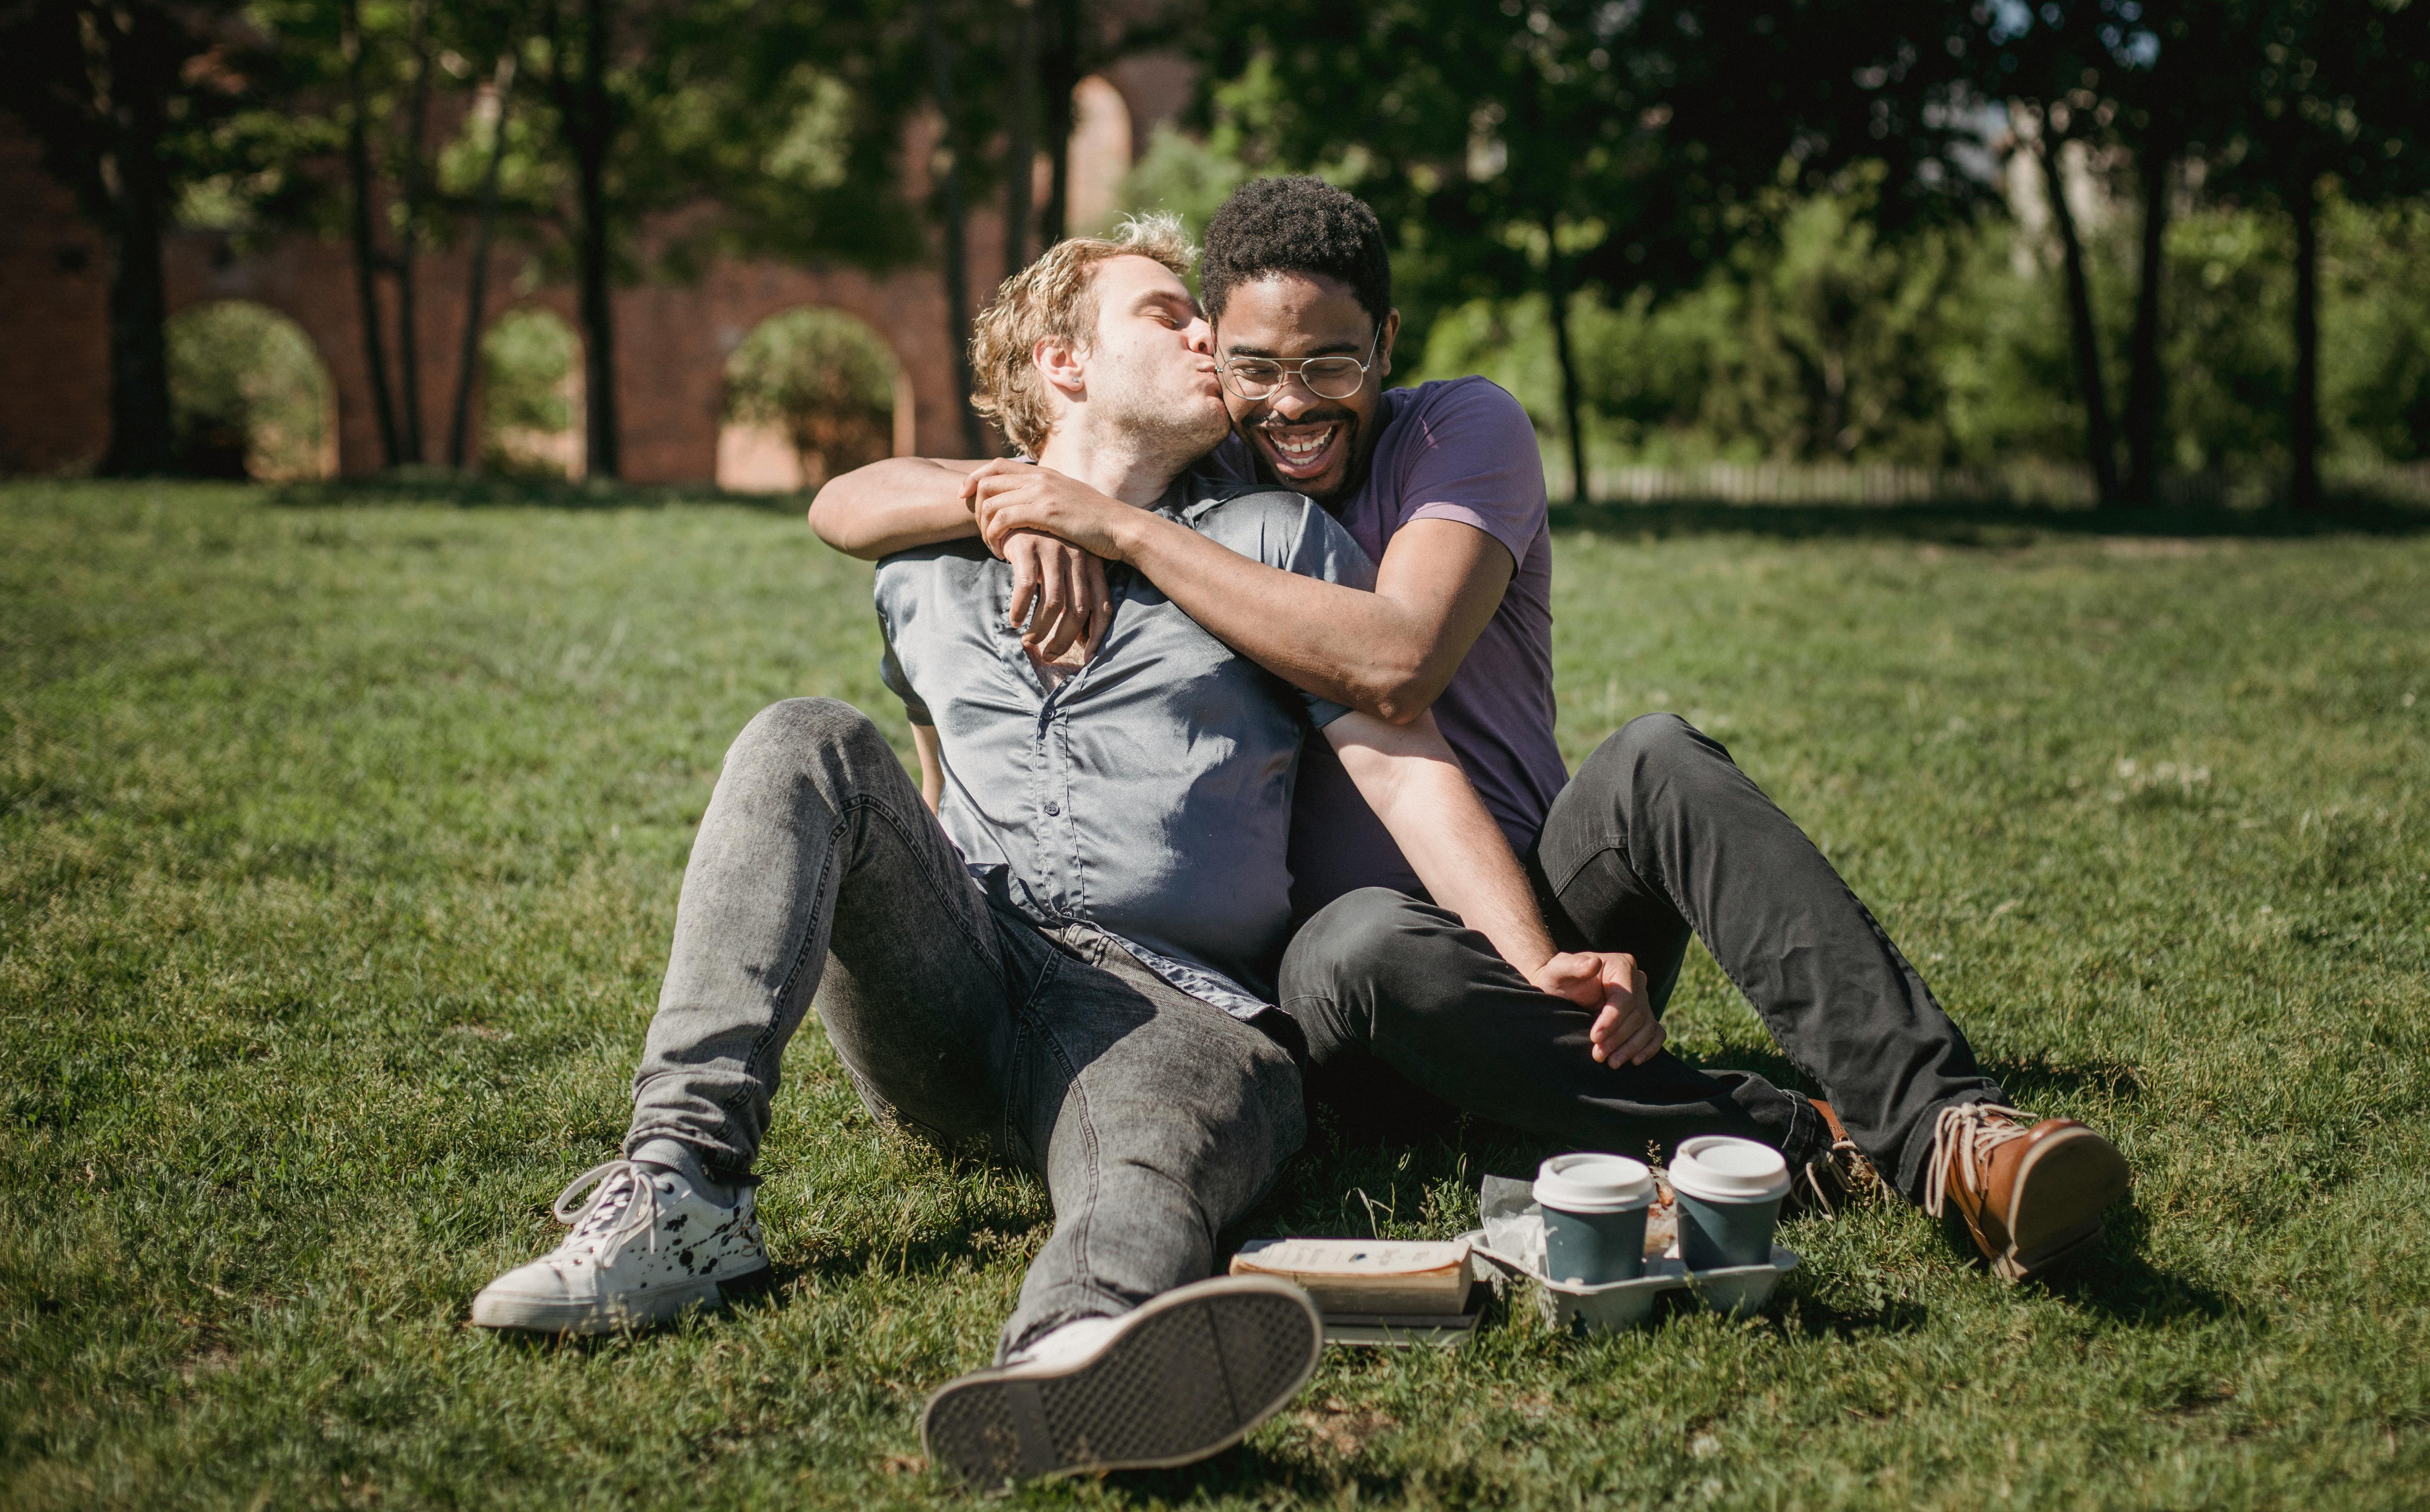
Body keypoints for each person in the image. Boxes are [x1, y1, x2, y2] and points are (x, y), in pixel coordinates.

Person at [473, 219, 1829, 1489]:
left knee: (1146, 1171)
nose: (1213, 346)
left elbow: (1399, 761)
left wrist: (1536, 957)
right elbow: (869, 580)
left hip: (1178, 1012)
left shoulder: (1269, 542)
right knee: (802, 738)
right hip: (965, 980)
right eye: (1172, 316)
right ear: (1064, 362)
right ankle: (686, 1190)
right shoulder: (928, 563)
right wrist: (1016, 506)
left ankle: (1073, 1358)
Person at [811, 177, 2133, 1286]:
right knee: (1363, 939)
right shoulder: (1210, 470)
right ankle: (1792, 1135)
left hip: (1537, 912)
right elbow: (859, 499)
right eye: (1257, 368)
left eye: (1332, 365)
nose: (1292, 405)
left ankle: (1954, 1127)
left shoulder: (1460, 428)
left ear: (1386, 344)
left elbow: (1396, 661)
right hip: (1354, 988)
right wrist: (1034, 498)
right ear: (1215, 350)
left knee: (1659, 755)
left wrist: (1113, 527)